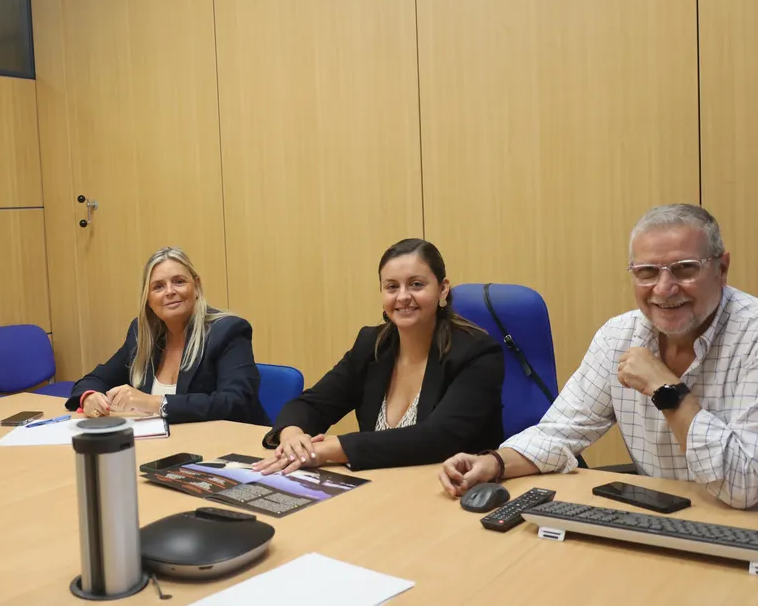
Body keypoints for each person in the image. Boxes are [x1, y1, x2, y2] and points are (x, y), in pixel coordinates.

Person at [439, 204, 758, 510]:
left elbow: (744, 486)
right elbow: (559, 432)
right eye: (647, 272)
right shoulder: (618, 336)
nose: (663, 288)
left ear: (722, 268)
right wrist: (493, 463)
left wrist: (668, 391)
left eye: (685, 269)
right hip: (665, 518)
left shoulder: (752, 337)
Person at [255, 238, 505, 474]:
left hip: (452, 487)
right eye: (392, 287)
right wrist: (292, 435)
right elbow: (312, 404)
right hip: (382, 485)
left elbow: (438, 438)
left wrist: (332, 449)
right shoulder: (372, 344)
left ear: (442, 289)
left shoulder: (477, 353)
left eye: (416, 284)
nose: (403, 296)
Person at [66, 247, 268, 425]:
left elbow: (236, 402)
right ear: (148, 298)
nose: (170, 292)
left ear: (196, 287)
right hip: (165, 445)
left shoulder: (228, 331)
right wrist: (89, 397)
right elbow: (94, 379)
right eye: (158, 287)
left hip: (228, 444)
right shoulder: (141, 334)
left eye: (179, 282)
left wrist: (154, 403)